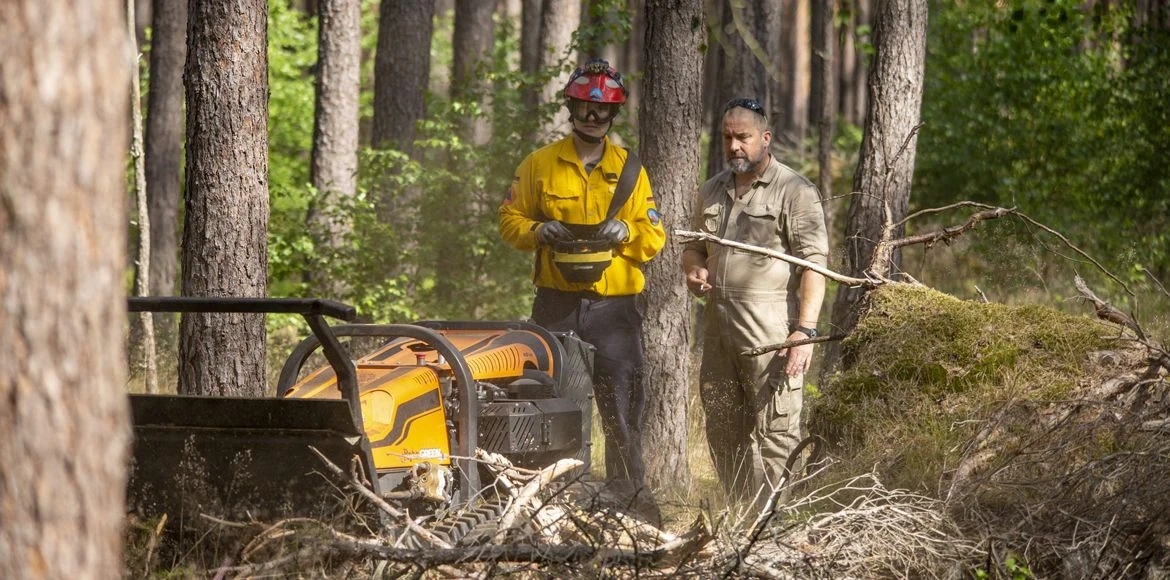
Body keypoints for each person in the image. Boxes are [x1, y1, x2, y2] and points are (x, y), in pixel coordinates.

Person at [498, 59, 666, 493]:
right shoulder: (539, 164)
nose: (593, 117)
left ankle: (628, 497)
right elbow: (508, 221)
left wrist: (627, 230)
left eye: (603, 111)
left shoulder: (631, 169)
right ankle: (553, 495)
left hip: (615, 311)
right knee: (552, 403)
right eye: (585, 108)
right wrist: (538, 231)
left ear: (614, 114)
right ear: (571, 107)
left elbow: (654, 234)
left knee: (622, 406)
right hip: (556, 306)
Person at [681, 97, 829, 510]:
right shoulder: (711, 190)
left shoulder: (795, 191)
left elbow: (815, 265)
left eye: (743, 137)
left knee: (776, 434)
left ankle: (773, 523)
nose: (733, 147)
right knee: (723, 430)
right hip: (718, 337)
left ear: (766, 138)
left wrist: (804, 331)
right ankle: (742, 513)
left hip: (771, 338)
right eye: (728, 137)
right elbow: (693, 248)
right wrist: (694, 270)